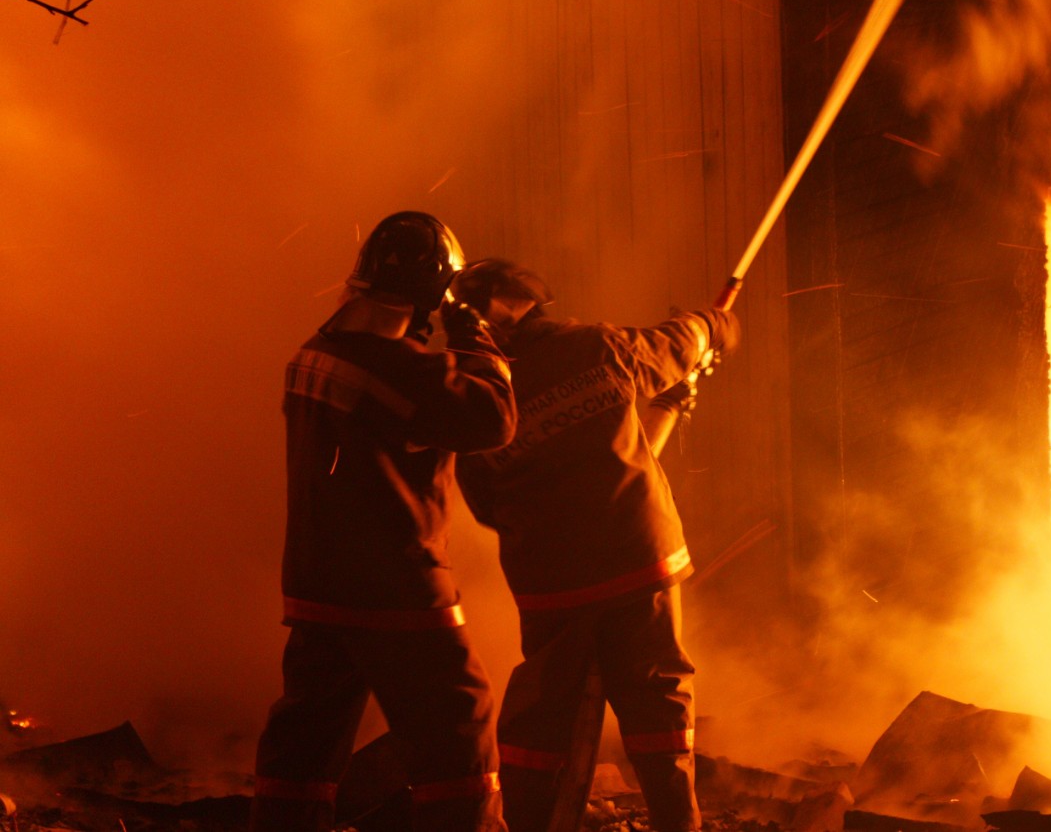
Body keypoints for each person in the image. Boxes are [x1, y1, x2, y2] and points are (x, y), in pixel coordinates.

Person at [451, 259, 739, 832]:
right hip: (638, 562)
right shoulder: (595, 348)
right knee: (659, 707)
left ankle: (528, 822)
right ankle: (677, 823)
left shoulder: (475, 400)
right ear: (532, 303)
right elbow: (677, 342)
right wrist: (714, 326)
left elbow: (485, 505)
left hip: (552, 587)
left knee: (540, 721)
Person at [251, 212, 517, 832]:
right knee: (460, 724)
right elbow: (494, 418)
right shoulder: (401, 370)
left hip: (319, 585)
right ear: (431, 295)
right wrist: (473, 334)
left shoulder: (312, 354)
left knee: (305, 739)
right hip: (397, 591)